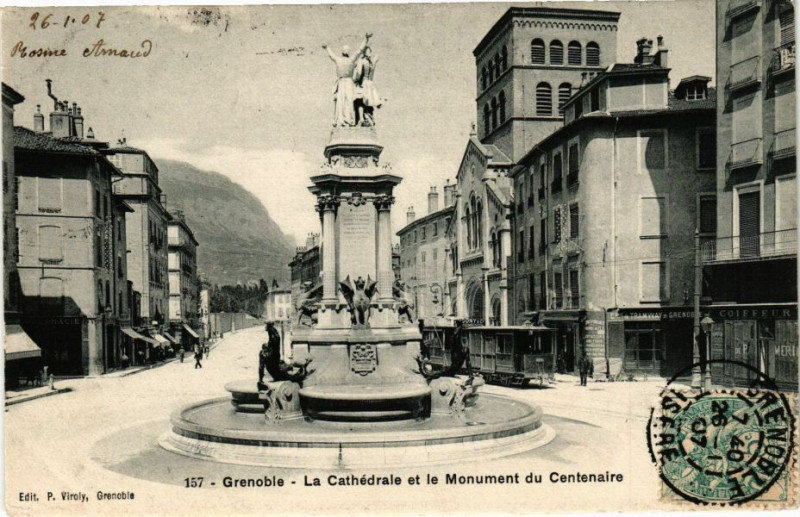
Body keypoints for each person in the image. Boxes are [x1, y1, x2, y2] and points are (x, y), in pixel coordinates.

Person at [322, 33, 372, 127]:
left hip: (348, 82)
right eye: (344, 49)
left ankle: (349, 120)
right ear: (343, 51)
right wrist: (327, 48)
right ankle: (342, 120)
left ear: (348, 51)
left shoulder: (351, 59)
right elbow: (332, 55)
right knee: (341, 101)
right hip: (342, 82)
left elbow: (359, 50)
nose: (345, 51)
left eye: (347, 49)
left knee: (349, 100)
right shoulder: (340, 59)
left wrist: (366, 40)